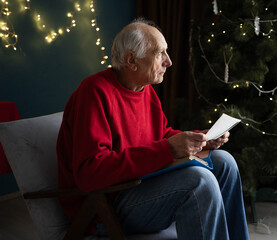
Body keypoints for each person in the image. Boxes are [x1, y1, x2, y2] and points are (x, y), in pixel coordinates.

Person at [57, 18, 249, 240]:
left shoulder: (145, 90)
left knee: (225, 162)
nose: (169, 62)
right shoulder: (94, 92)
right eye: (160, 54)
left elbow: (161, 136)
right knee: (199, 181)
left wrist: (201, 138)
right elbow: (90, 173)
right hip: (105, 205)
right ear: (132, 60)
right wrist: (168, 149)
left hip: (141, 185)